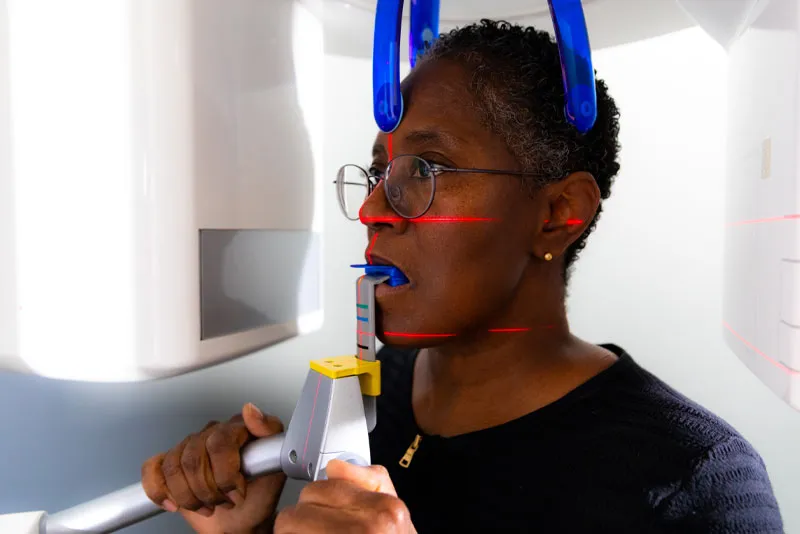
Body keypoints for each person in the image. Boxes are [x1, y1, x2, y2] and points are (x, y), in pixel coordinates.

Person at [141, 20, 784, 533]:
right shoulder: (377, 396)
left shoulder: (698, 484)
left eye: (425, 170)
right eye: (379, 174)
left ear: (559, 214)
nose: (371, 210)